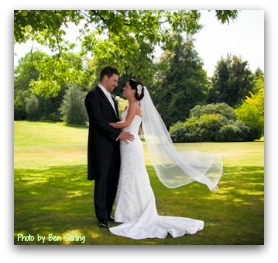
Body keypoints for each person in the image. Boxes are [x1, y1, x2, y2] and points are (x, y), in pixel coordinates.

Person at [108, 78, 223, 239]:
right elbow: (125, 122)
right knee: (127, 177)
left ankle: (138, 212)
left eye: (127, 87)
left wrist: (108, 124)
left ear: (134, 91)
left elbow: (126, 122)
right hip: (125, 146)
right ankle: (126, 214)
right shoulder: (128, 106)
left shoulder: (135, 106)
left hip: (132, 146)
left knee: (135, 177)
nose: (124, 89)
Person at [85, 66, 134, 228]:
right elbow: (98, 122)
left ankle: (107, 212)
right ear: (105, 78)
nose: (115, 84)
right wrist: (118, 134)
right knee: (102, 181)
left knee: (113, 180)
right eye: (114, 80)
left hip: (115, 147)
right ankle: (101, 217)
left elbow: (114, 120)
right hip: (101, 148)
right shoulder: (92, 96)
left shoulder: (112, 98)